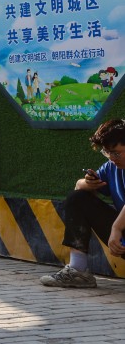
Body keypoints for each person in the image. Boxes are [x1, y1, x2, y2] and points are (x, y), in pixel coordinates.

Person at [39, 118, 125, 288]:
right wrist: (87, 182)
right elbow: (79, 188)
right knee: (77, 198)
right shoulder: (111, 167)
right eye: (107, 152)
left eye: (116, 153)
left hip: (120, 229)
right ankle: (78, 271)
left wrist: (116, 228)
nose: (112, 158)